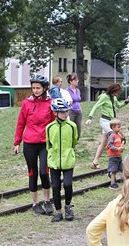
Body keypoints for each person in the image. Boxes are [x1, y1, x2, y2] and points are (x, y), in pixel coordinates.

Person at [14, 74, 56, 215]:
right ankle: (35, 203)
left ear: (44, 88)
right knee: (33, 173)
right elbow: (21, 123)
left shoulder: (50, 103)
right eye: (33, 88)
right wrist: (17, 142)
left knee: (44, 172)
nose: (35, 90)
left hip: (44, 143)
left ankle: (47, 200)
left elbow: (53, 124)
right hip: (29, 143)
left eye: (38, 88)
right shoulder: (27, 103)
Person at [46, 98, 78, 222]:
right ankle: (58, 211)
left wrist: (68, 152)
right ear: (55, 112)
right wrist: (51, 156)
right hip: (54, 162)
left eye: (67, 111)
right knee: (55, 187)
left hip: (68, 160)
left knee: (68, 184)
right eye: (63, 112)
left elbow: (74, 141)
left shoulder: (72, 126)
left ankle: (68, 207)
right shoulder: (49, 128)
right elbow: (48, 144)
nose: (66, 114)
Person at [86, 83, 129, 169]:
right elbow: (95, 106)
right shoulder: (104, 97)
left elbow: (118, 106)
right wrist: (90, 117)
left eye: (118, 92)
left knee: (103, 143)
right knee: (113, 136)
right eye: (116, 92)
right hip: (105, 121)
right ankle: (114, 159)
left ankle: (95, 162)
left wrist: (126, 102)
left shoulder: (113, 97)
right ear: (112, 90)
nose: (116, 94)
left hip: (111, 122)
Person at [106, 119, 126, 190]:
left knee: (122, 169)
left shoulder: (118, 135)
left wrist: (123, 137)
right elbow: (110, 145)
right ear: (113, 127)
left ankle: (126, 181)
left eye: (120, 127)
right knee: (113, 170)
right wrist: (117, 149)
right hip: (113, 156)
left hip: (118, 155)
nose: (120, 128)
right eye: (118, 127)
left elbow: (123, 141)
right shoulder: (112, 136)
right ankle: (113, 184)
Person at [65, 73, 83, 139]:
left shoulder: (78, 90)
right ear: (70, 81)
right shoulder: (67, 91)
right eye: (75, 80)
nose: (76, 81)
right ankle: (70, 140)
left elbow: (78, 100)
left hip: (78, 111)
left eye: (77, 80)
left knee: (78, 128)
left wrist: (80, 108)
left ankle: (76, 140)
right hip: (71, 111)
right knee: (71, 127)